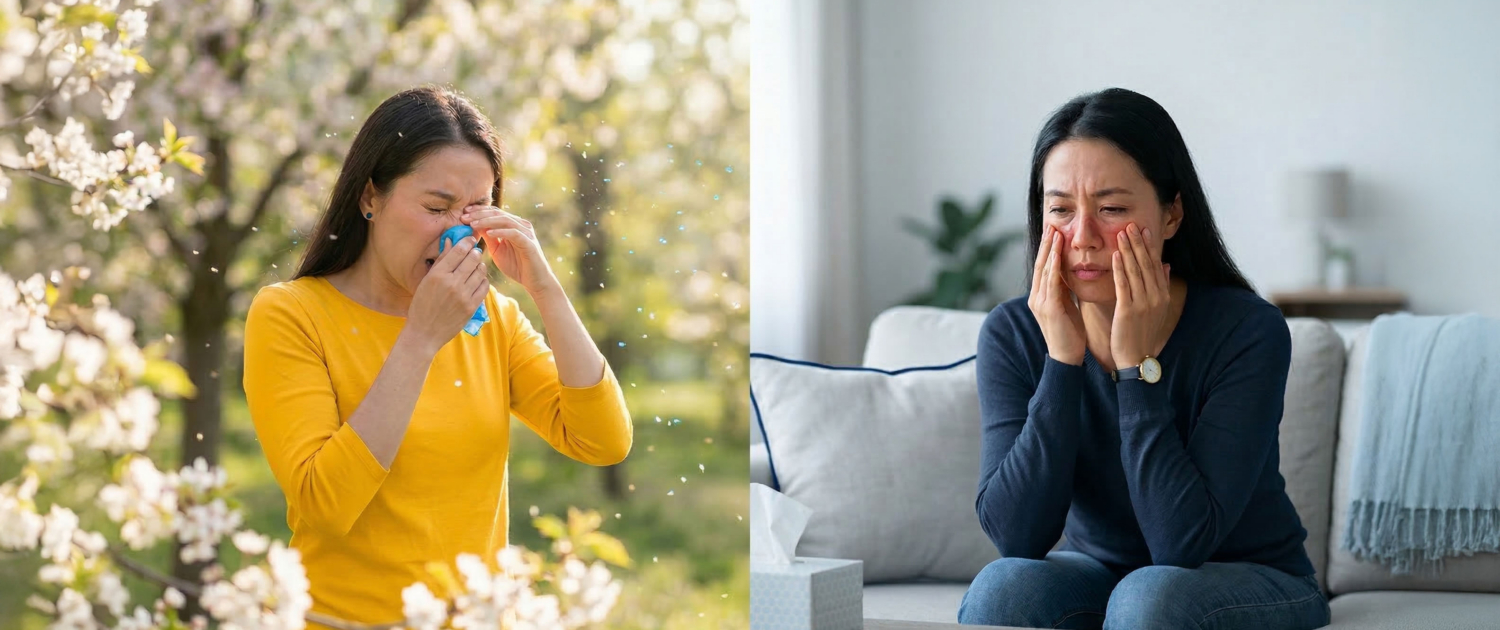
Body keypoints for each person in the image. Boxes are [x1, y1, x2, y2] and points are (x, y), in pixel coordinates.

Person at [242, 85, 633, 624]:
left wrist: (546, 290)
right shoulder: (291, 314)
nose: (458, 231)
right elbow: (325, 506)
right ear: (370, 198)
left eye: (477, 210)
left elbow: (603, 440)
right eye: (436, 207)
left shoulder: (492, 318)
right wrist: (421, 339)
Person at [958, 88, 1329, 629]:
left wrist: (1135, 367)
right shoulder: (1014, 332)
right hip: (1106, 574)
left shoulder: (1248, 330)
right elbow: (1018, 537)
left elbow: (1182, 542)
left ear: (1172, 214)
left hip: (1247, 576)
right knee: (1004, 588)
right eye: (1060, 209)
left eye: (1111, 209)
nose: (1083, 238)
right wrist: (1063, 360)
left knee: (1151, 597)